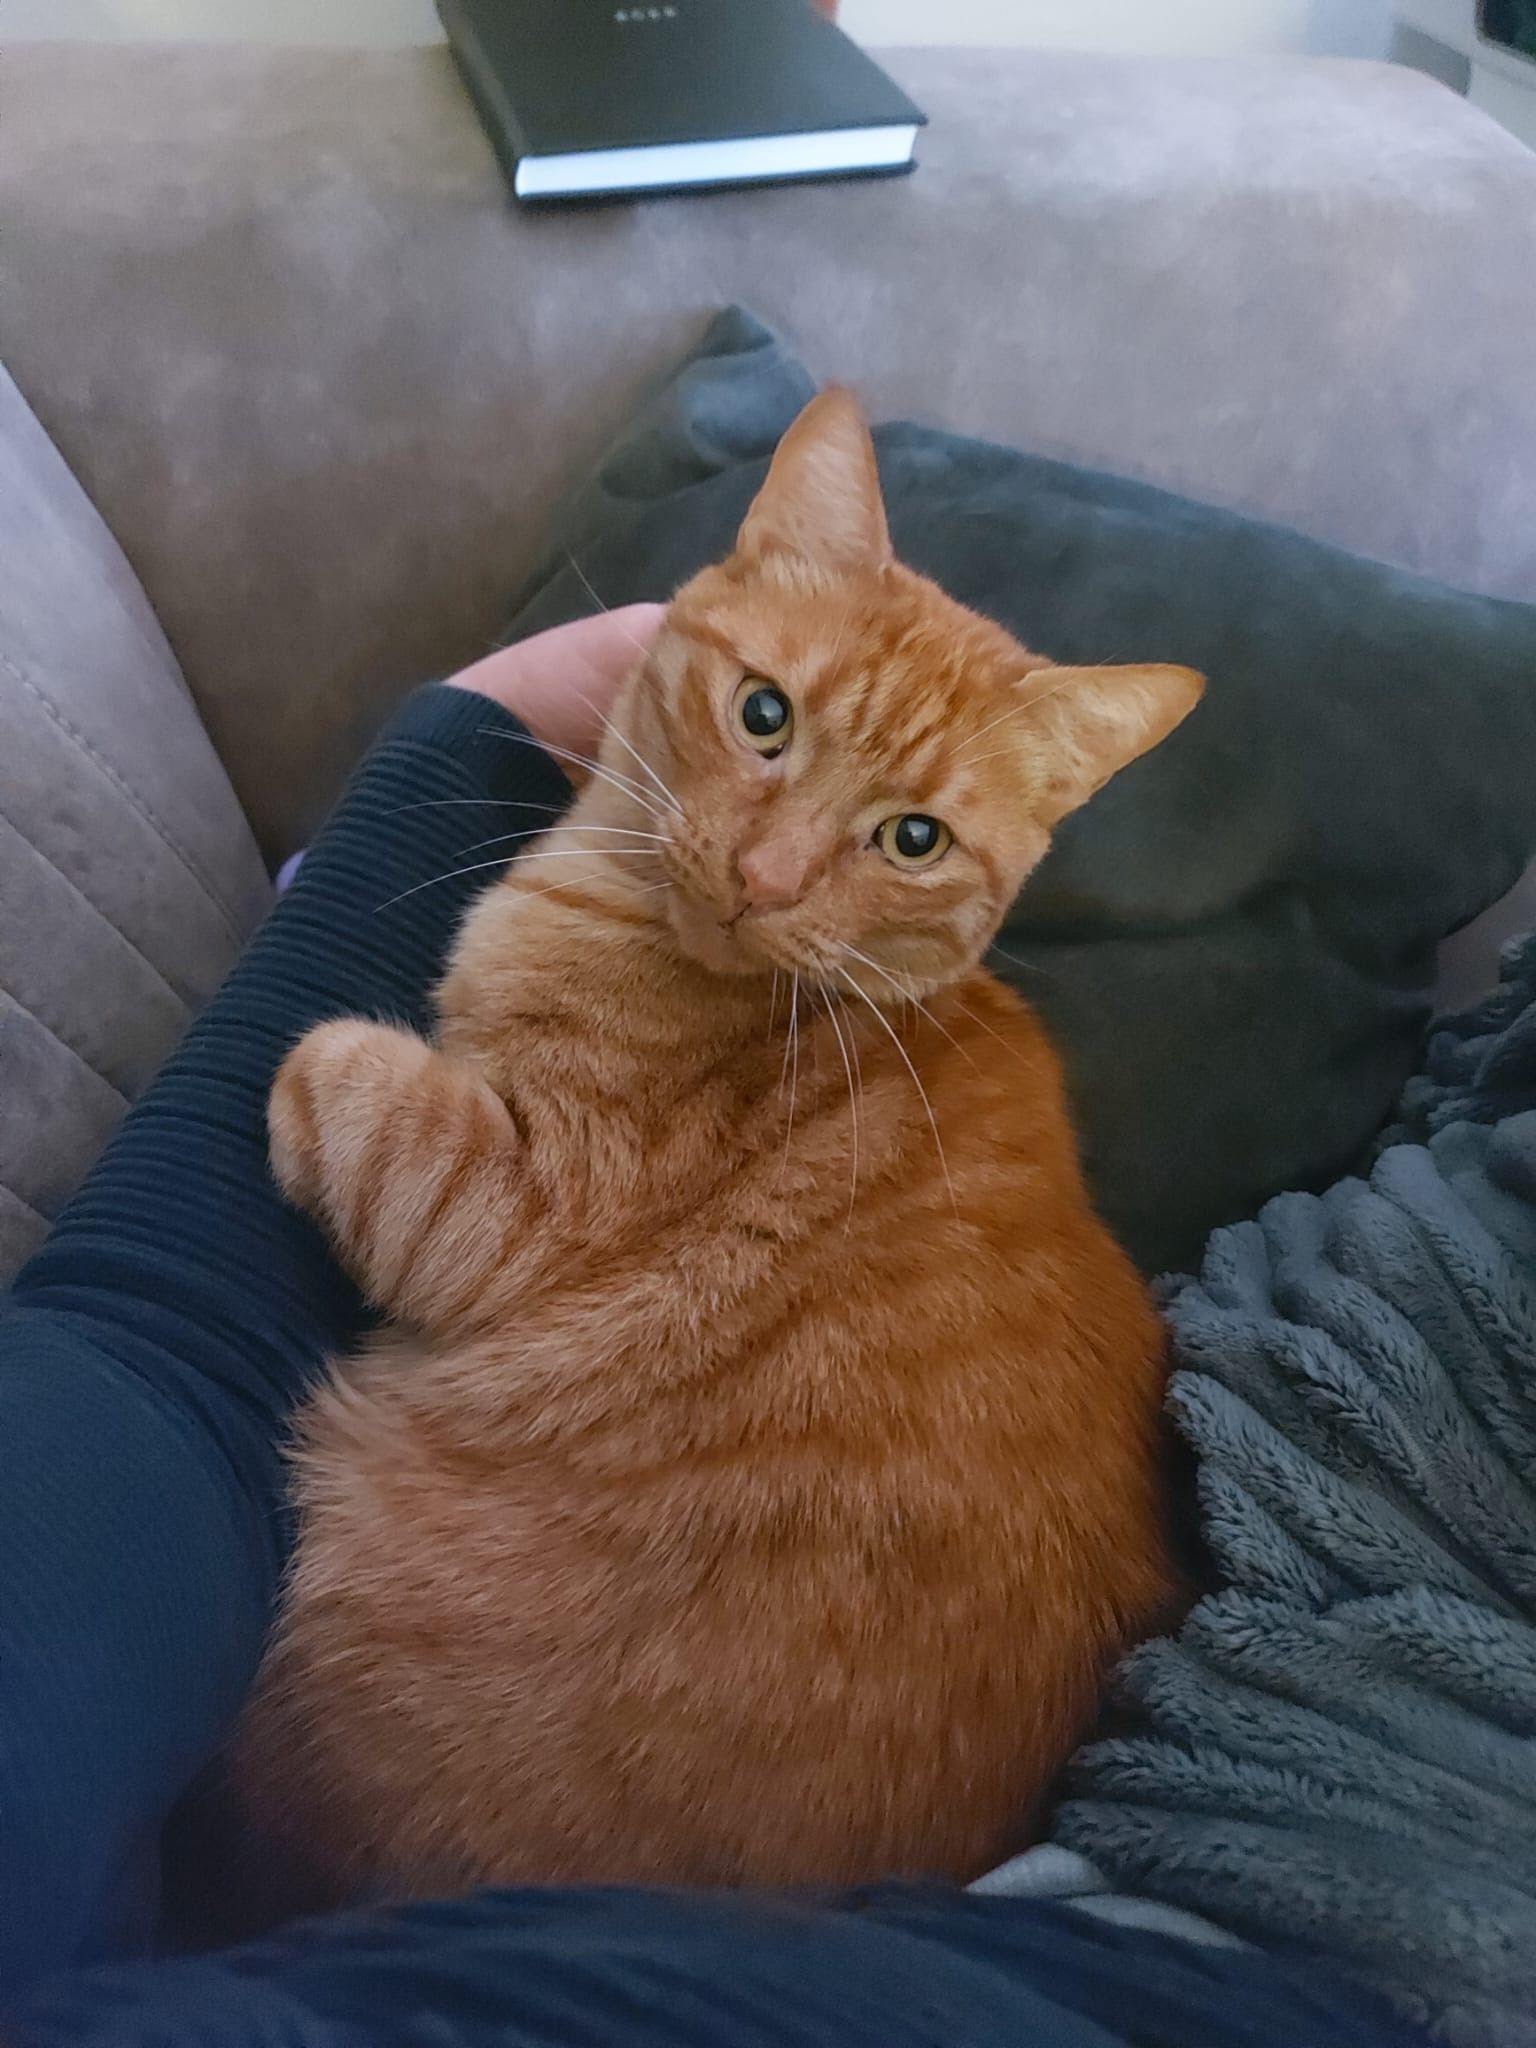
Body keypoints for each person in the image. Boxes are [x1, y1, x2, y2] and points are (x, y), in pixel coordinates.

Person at [0, 615, 1418, 2045]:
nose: (768, 870)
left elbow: (463, 1242)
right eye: (767, 724)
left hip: (466, 1787)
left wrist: (337, 1072)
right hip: (819, 1860)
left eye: (910, 838)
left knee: (336, 1080)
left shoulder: (797, 1038)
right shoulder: (980, 1084)